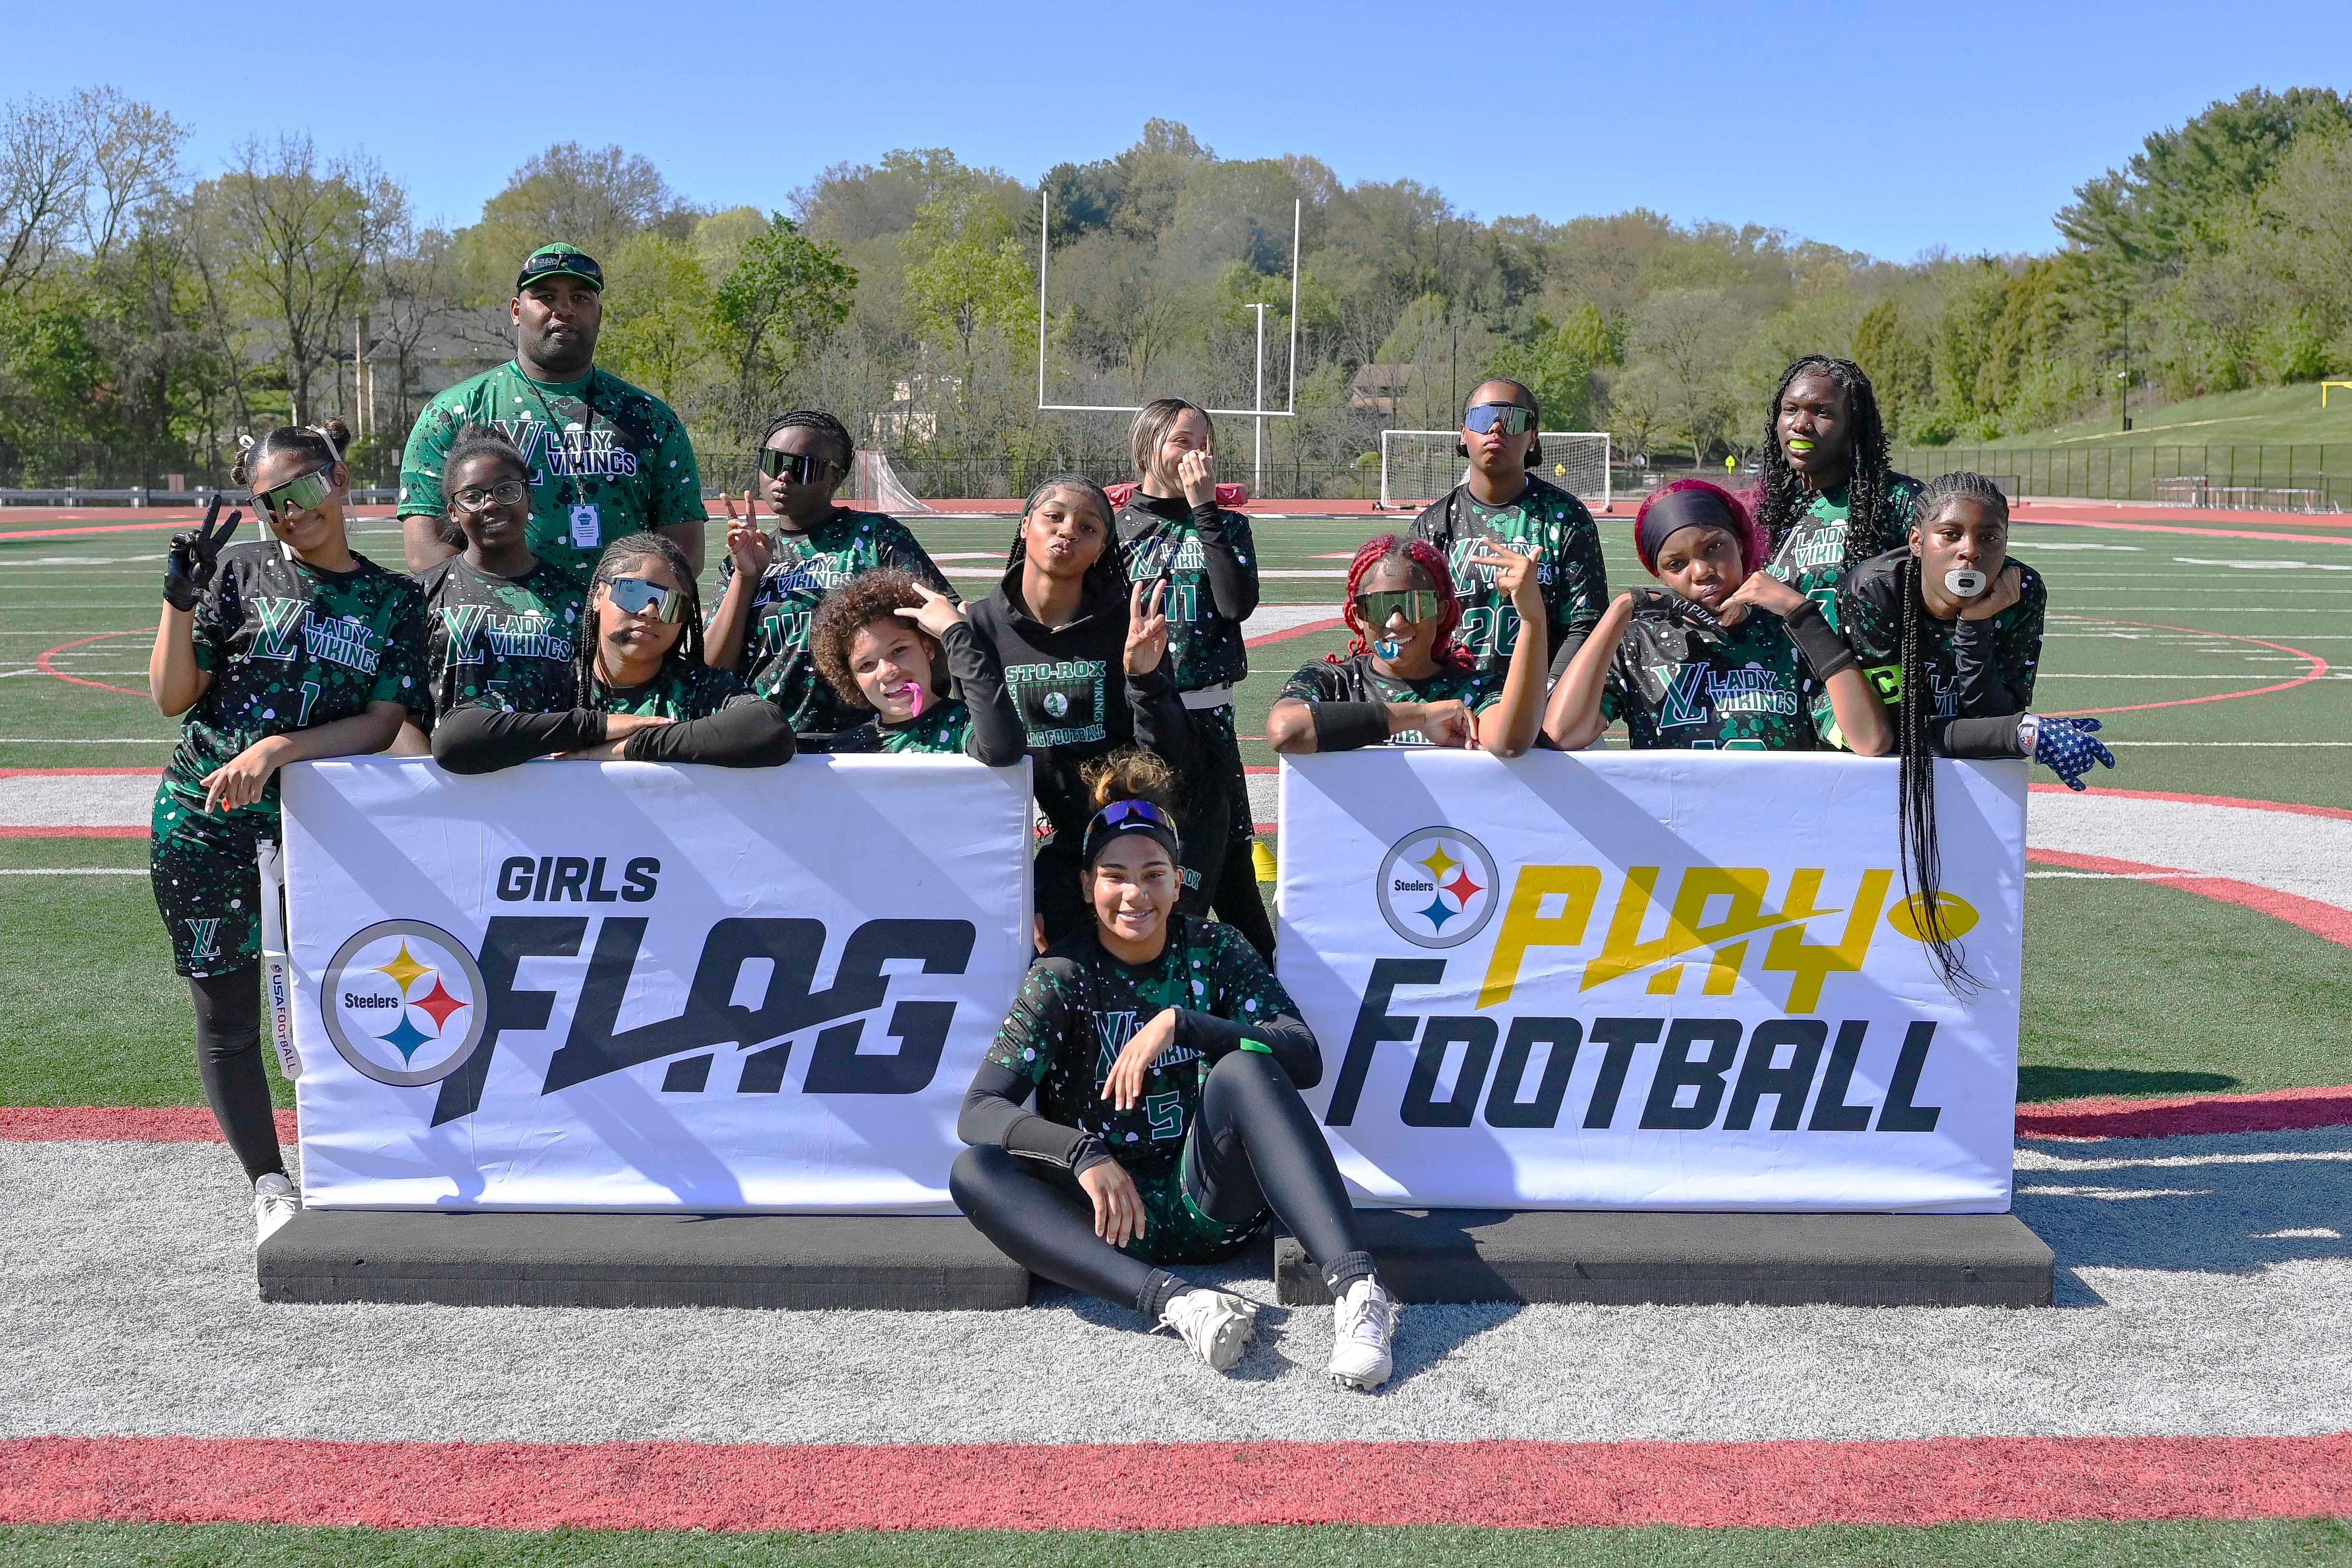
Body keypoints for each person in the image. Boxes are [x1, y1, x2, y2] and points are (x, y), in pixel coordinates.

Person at [951, 751, 1400, 1390]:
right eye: (1114, 876)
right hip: (1111, 1219)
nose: (1133, 893)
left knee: (1244, 1071)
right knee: (974, 1170)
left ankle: (1357, 1291)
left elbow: (1301, 1055)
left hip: (1210, 1199)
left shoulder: (1216, 948)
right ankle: (1176, 1303)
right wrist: (1081, 1153)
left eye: (1151, 874)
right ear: (1087, 886)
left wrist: (1185, 1024)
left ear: (1177, 880)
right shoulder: (1063, 976)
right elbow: (981, 1110)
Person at [146, 421, 428, 1243]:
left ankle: (367, 1161)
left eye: (303, 491)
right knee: (226, 1009)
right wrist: (178, 602)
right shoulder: (237, 574)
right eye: (270, 502)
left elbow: (381, 722)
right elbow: (171, 696)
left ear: (340, 484)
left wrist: (278, 750)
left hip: (323, 830)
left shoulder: (390, 600)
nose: (288, 513)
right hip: (205, 823)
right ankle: (269, 1180)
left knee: (349, 996)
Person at [1834, 471, 2111, 989]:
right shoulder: (1874, 589)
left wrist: (1974, 624)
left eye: (1990, 538)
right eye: (1951, 534)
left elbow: (1996, 713)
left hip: (1954, 752)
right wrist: (2013, 734)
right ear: (1917, 541)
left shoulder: (2021, 589)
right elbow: (1894, 738)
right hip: (1863, 751)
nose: (1970, 551)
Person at [968, 475, 1205, 947]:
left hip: (1128, 834)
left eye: (1089, 526)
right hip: (1034, 848)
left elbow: (1168, 758)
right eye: (1053, 516)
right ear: (1024, 526)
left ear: (1101, 548)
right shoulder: (979, 625)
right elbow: (973, 757)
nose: (1068, 531)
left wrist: (1143, 677)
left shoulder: (1126, 626)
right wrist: (1018, 883)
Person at [398, 243, 707, 581]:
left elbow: (684, 551)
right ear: (517, 311)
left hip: (620, 623)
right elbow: (426, 550)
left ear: (599, 314)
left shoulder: (652, 418)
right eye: (546, 296)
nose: (564, 309)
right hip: (505, 627)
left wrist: (620, 612)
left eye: (580, 298)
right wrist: (515, 611)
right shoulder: (453, 412)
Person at [1544, 479, 1893, 755]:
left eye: (1714, 548)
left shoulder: (1790, 633)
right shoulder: (1639, 641)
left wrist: (1802, 615)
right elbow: (1563, 732)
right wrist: (1619, 610)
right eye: (1675, 564)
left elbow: (1868, 740)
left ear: (1740, 544)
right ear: (1659, 575)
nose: (1700, 572)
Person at [1111, 398, 1274, 959]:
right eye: (1182, 440)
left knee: (1230, 871)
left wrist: (1205, 509)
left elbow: (1235, 603)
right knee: (1138, 856)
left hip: (1208, 720)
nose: (1194, 454)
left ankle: (1265, 996)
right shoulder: (1114, 526)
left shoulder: (1226, 524)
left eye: (1203, 443)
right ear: (1148, 444)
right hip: (1135, 719)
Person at [431, 532, 794, 773]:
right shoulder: (555, 684)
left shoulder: (698, 687)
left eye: (669, 604)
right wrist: (597, 726)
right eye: (634, 593)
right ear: (599, 597)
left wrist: (633, 746)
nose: (651, 612)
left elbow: (769, 731)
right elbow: (455, 739)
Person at [707, 411, 955, 745]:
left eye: (802, 466)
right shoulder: (745, 556)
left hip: (869, 741)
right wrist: (745, 577)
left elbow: (943, 624)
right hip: (768, 745)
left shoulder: (875, 537)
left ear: (835, 479)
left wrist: (914, 711)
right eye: (773, 461)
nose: (783, 476)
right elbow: (711, 669)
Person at [1268, 533, 1550, 755]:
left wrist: (1532, 620)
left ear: (1440, 611)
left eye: (1414, 605)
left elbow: (1509, 741)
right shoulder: (1333, 680)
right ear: (1358, 615)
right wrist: (1421, 715)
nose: (1395, 622)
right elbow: (1285, 730)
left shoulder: (1474, 691)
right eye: (1378, 607)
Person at [1412, 377, 1608, 686]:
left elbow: (1586, 623)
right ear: (1464, 434)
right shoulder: (1434, 524)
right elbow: (1418, 624)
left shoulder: (1566, 517)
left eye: (1513, 418)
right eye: (1483, 417)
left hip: (1546, 704)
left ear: (1532, 438)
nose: (1497, 428)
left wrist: (1548, 693)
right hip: (1456, 702)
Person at [401, 425, 585, 742]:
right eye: (472, 496)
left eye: (506, 490)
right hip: (454, 781)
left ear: (528, 496)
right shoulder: (422, 596)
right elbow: (396, 715)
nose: (490, 504)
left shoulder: (574, 598)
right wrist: (434, 783)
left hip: (554, 780)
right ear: (453, 512)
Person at [1752, 356, 1921, 619]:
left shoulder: (1897, 499)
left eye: (1822, 412)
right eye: (1791, 410)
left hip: (1865, 661)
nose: (1800, 425)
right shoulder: (1770, 509)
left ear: (1853, 428)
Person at [807, 569, 1024, 762]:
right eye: (867, 665)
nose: (887, 671)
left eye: (899, 651)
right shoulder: (843, 751)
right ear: (852, 679)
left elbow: (1002, 750)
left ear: (928, 649)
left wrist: (955, 632)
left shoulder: (966, 724)